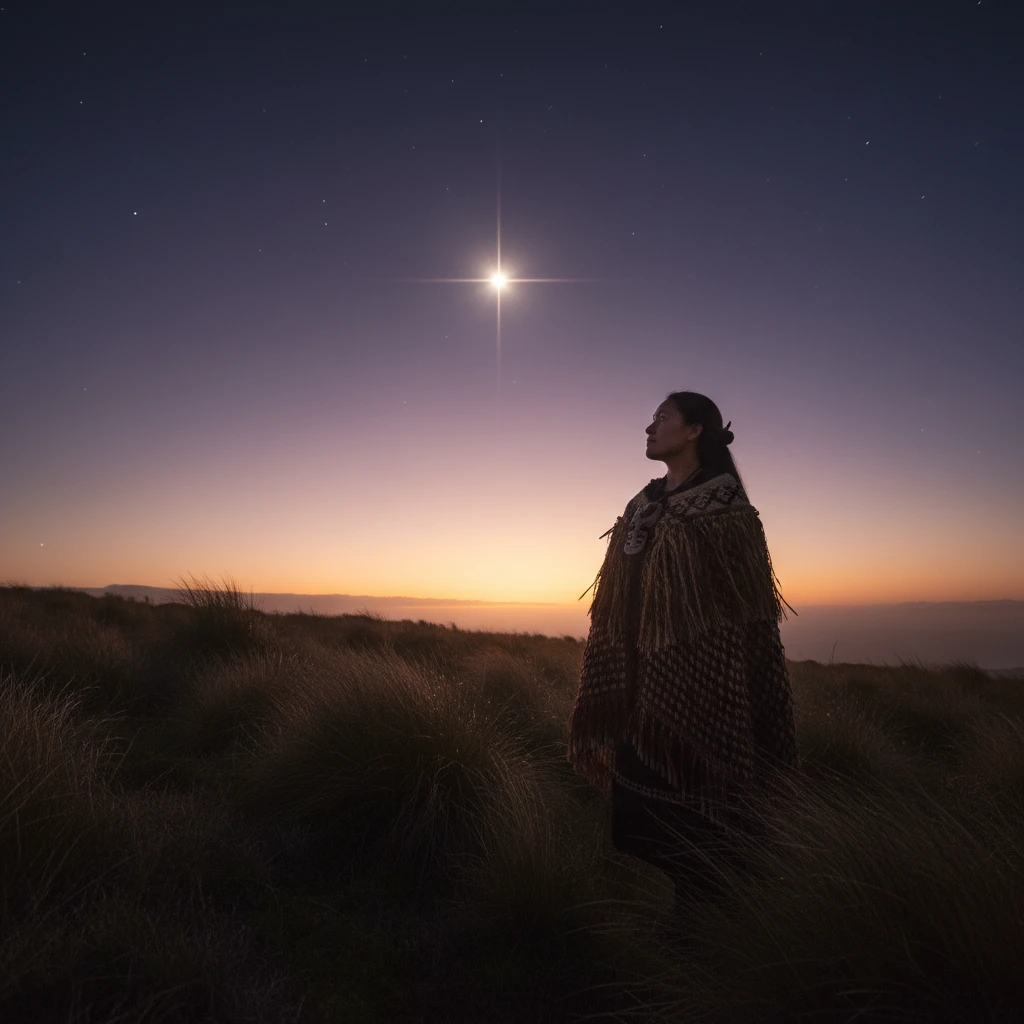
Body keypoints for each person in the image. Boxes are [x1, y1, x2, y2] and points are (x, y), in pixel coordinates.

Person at [567, 391, 800, 914]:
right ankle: (686, 914)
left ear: (694, 430)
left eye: (662, 418)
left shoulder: (727, 508)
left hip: (706, 684)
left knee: (704, 819)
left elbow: (749, 617)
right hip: (636, 684)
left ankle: (705, 934)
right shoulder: (641, 504)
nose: (649, 427)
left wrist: (707, 668)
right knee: (643, 820)